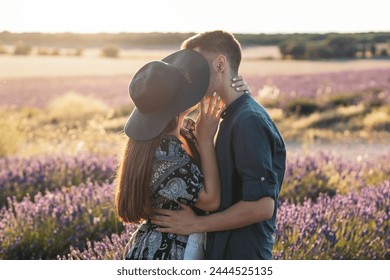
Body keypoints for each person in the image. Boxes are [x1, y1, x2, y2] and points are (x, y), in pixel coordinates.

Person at [152, 30, 287, 260]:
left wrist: (196, 224)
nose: (189, 78)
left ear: (220, 64)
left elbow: (262, 206)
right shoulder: (227, 117)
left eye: (196, 67)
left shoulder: (248, 121)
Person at [115, 49, 243, 259]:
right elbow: (211, 200)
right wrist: (205, 139)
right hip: (169, 251)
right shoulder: (164, 153)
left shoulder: (184, 132)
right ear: (176, 107)